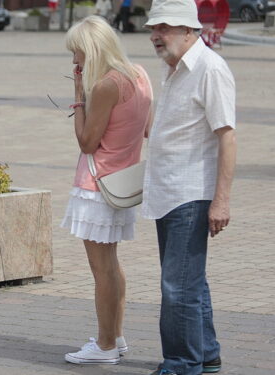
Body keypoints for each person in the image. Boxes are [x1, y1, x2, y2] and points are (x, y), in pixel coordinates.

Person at [143, 0, 236, 373]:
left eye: (163, 28)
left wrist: (221, 202)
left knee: (177, 288)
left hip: (190, 195)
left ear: (188, 30)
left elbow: (227, 137)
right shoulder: (175, 68)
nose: (154, 36)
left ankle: (182, 364)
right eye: (153, 29)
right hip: (168, 193)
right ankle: (206, 353)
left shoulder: (209, 69)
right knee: (188, 282)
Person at [60, 16, 153, 365]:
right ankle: (115, 335)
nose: (74, 63)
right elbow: (147, 129)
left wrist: (78, 97)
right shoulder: (140, 74)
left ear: (93, 50)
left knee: (101, 270)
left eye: (78, 54)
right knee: (112, 266)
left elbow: (87, 142)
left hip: (97, 186)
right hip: (123, 180)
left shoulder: (105, 86)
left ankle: (105, 345)